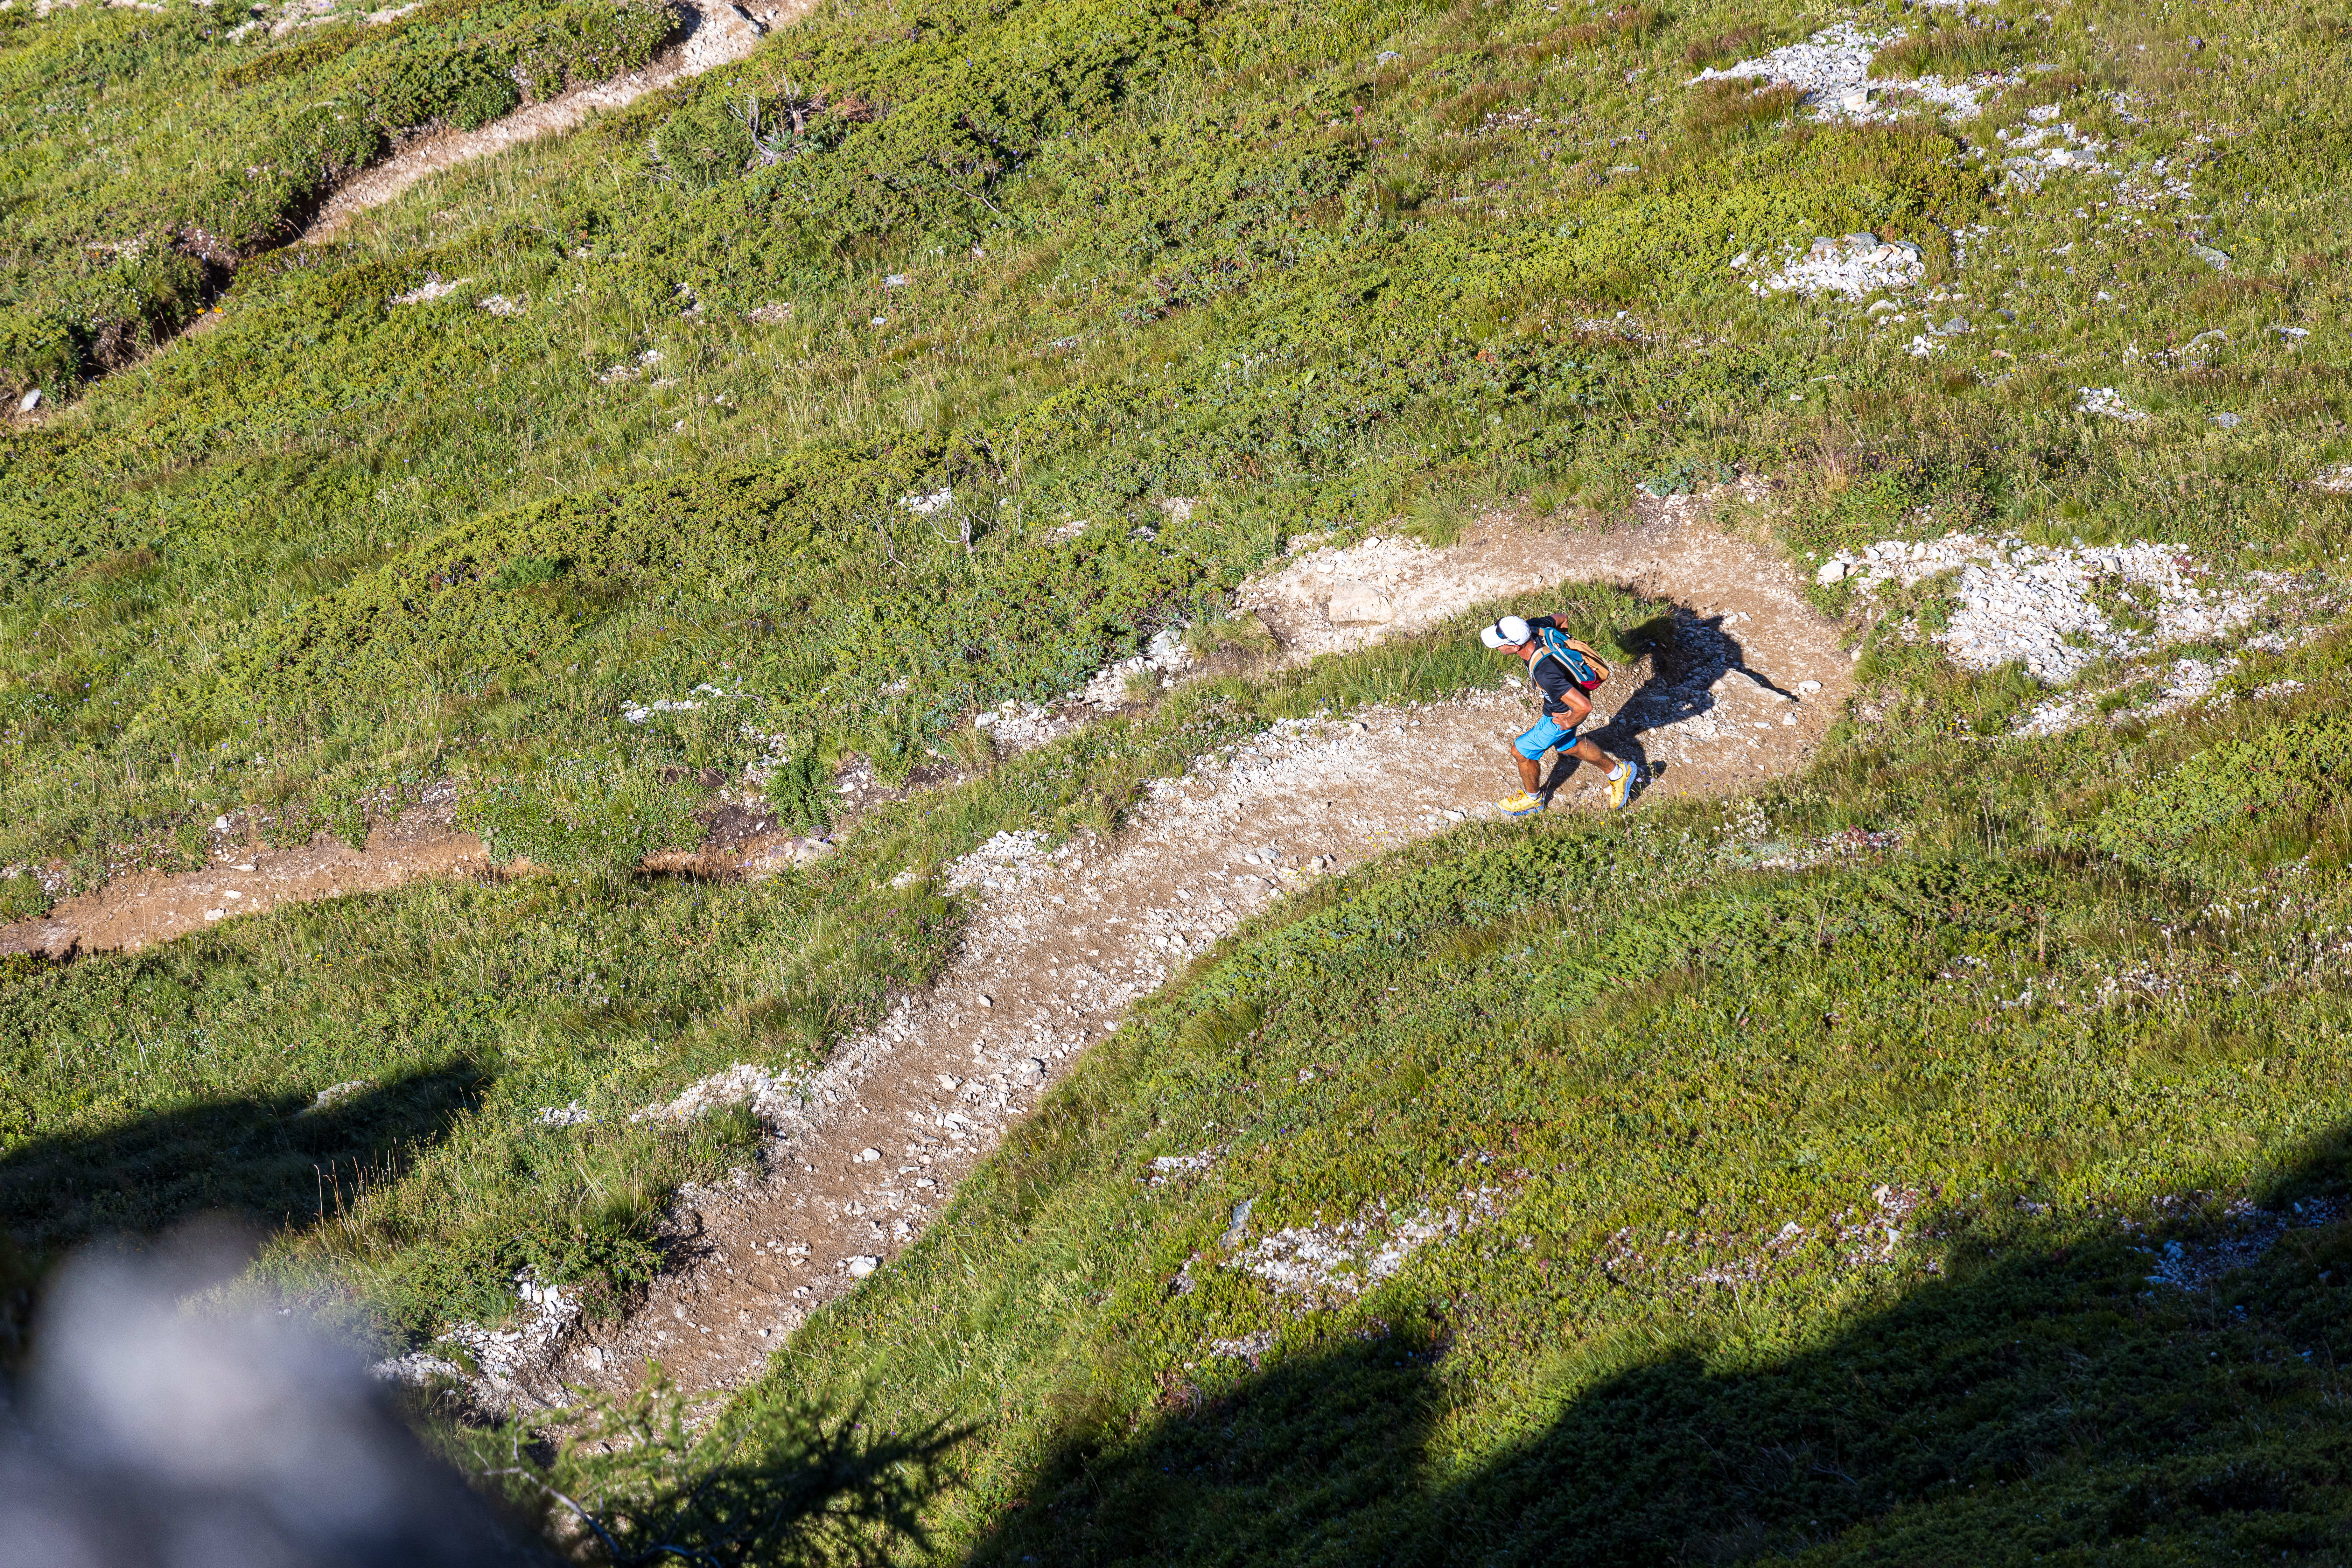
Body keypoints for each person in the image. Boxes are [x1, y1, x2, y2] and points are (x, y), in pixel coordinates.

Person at [1480, 613, 1634, 815]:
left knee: (1521, 753)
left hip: (1561, 712)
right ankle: (1618, 773)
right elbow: (1562, 619)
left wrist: (1568, 722)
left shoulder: (1546, 674)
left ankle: (1533, 799)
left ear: (1516, 647)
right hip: (1573, 691)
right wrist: (1564, 653)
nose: (1497, 648)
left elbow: (1584, 707)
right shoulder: (1534, 627)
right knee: (1569, 747)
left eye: (1499, 645)